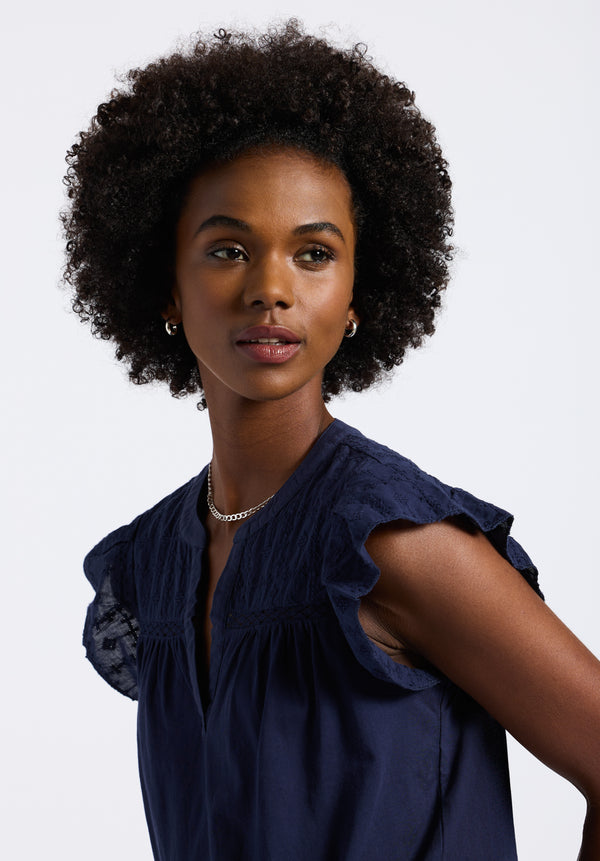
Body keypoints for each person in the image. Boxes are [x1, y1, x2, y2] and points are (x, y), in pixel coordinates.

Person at [62, 21, 600, 860]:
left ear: (357, 297)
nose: (271, 289)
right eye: (228, 248)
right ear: (167, 285)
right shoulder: (152, 563)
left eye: (314, 253)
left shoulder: (395, 542)